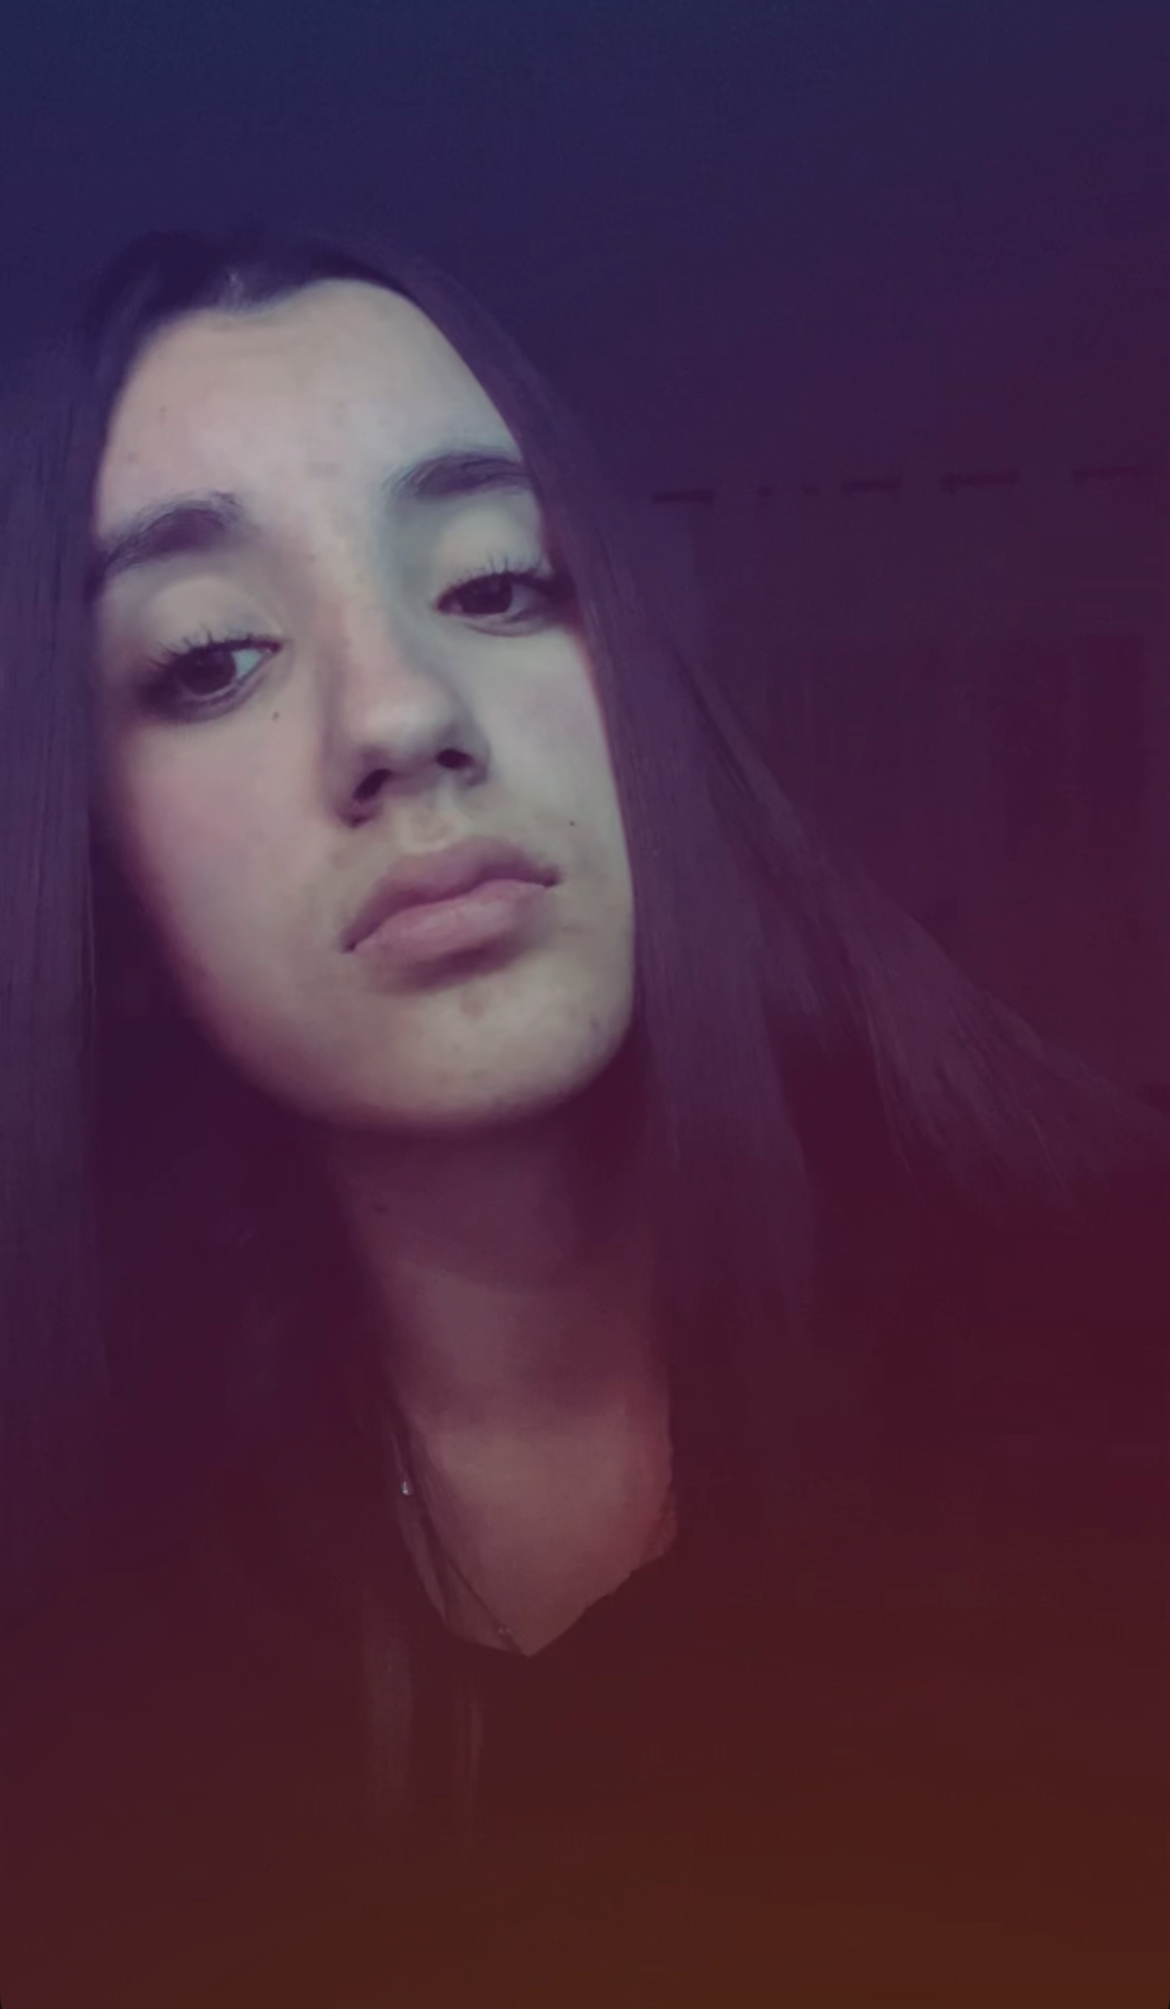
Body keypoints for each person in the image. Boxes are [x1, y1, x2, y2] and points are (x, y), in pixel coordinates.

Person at [0, 225, 1166, 2009]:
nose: (401, 713)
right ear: (101, 872)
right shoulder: (83, 1613)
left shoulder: (1112, 1342)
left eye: (495, 584)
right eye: (211, 656)